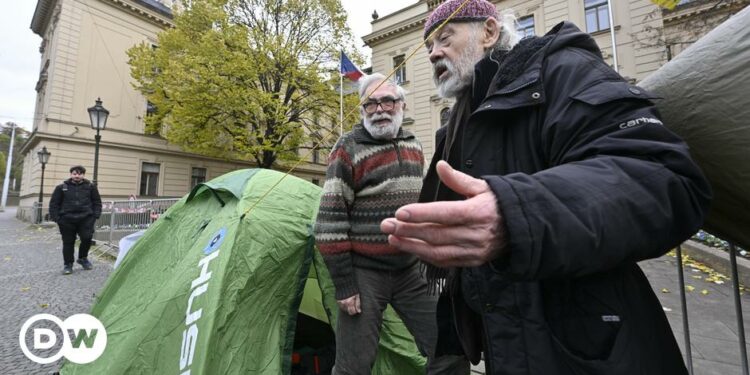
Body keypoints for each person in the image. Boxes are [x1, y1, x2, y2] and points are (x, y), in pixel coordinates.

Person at [379, 1, 712, 374]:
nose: (434, 53)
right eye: (427, 48)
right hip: (508, 339)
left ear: (489, 32)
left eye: (444, 38)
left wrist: (515, 215)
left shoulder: (563, 70)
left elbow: (663, 176)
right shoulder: (460, 118)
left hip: (589, 346)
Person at [315, 73, 468, 374]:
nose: (380, 109)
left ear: (402, 105)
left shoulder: (414, 144)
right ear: (362, 110)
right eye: (370, 104)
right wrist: (345, 286)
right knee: (353, 367)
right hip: (363, 274)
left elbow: (426, 202)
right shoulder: (348, 148)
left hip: (411, 269)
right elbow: (329, 221)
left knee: (451, 347)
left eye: (387, 100)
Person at [49, 165, 102, 275]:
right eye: (74, 173)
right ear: (71, 174)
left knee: (87, 238)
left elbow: (97, 202)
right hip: (67, 220)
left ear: (83, 175)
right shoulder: (61, 188)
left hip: (86, 218)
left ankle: (83, 258)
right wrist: (57, 218)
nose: (77, 175)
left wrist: (95, 215)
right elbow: (54, 204)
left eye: (79, 173)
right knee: (68, 242)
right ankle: (68, 264)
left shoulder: (91, 187)